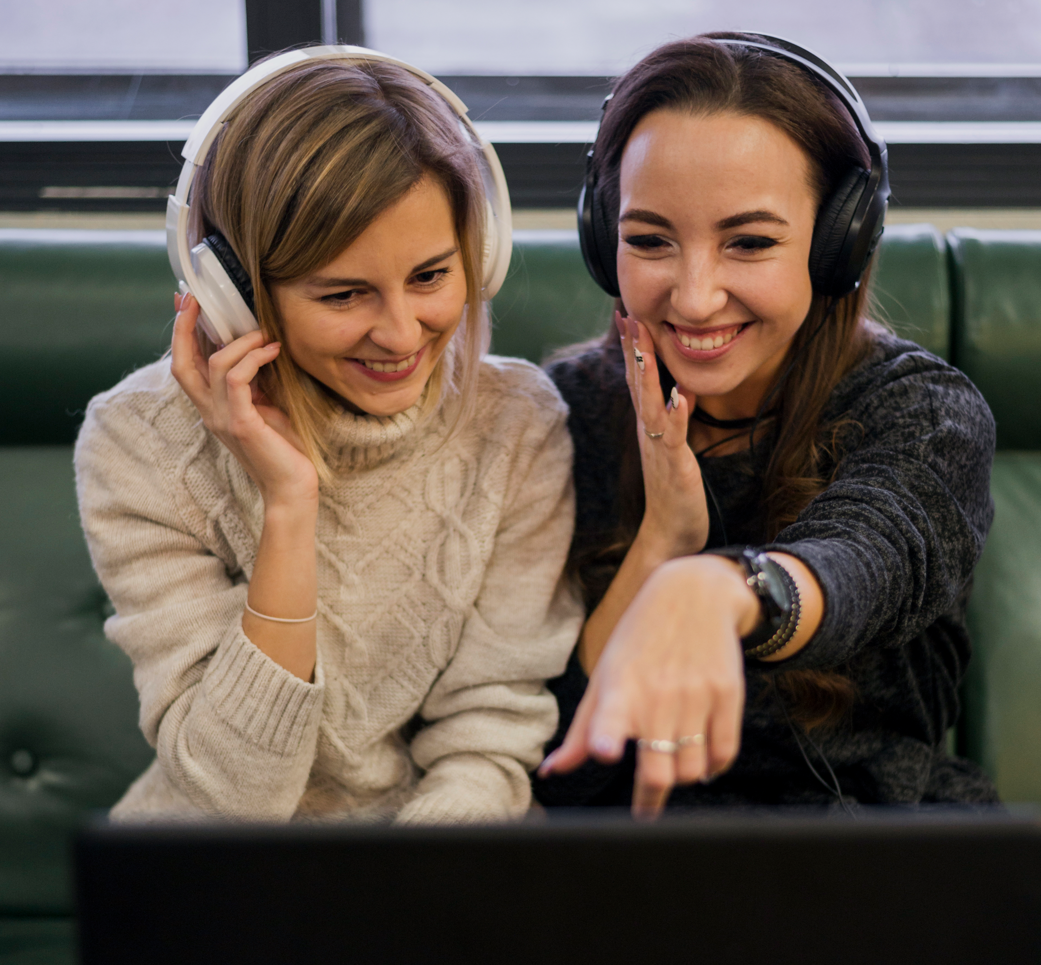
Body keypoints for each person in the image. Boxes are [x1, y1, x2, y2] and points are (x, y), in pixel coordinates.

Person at [74, 48, 582, 823]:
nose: (401, 332)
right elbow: (235, 797)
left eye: (430, 276)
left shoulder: (517, 423)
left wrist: (402, 906)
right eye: (344, 293)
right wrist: (288, 504)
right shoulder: (137, 444)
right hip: (223, 880)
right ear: (234, 293)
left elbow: (487, 736)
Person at [534, 33, 998, 817]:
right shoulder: (564, 410)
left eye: (748, 243)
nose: (694, 296)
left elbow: (869, 549)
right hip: (622, 874)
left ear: (835, 241)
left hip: (862, 863)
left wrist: (723, 589)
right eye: (649, 240)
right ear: (600, 234)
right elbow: (559, 766)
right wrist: (660, 544)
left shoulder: (922, 413)